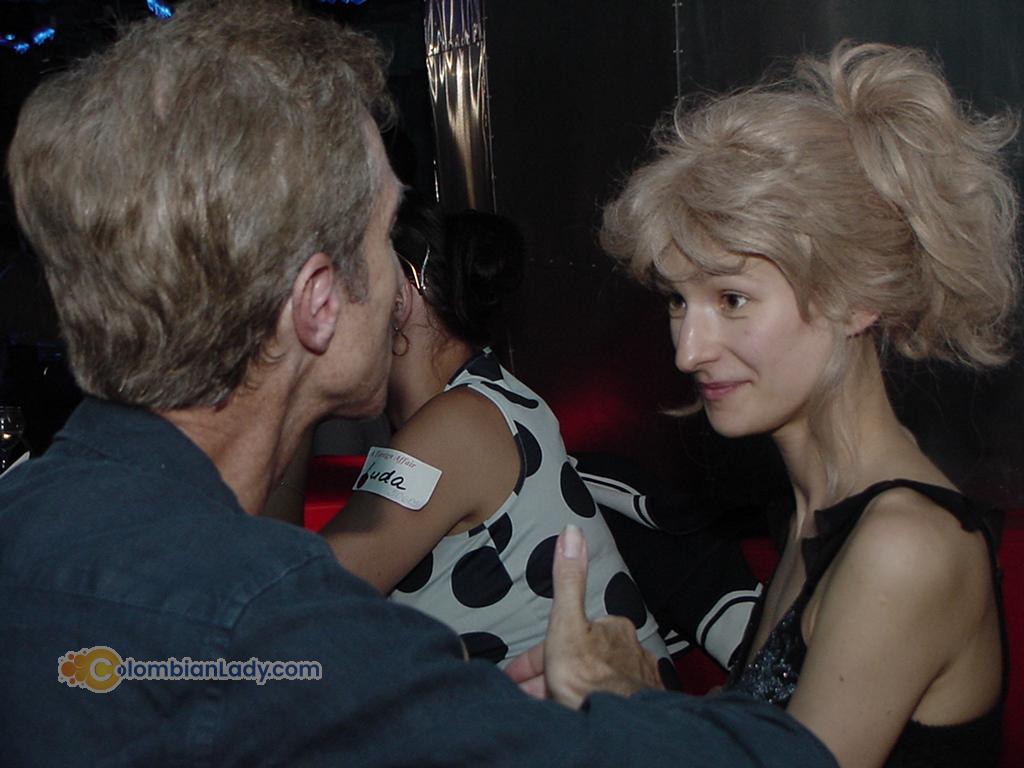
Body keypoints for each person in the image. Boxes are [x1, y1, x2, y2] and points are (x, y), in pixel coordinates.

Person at [0, 1, 838, 765]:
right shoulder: (276, 634)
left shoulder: (29, 517)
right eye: (381, 236)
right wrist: (628, 698)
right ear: (319, 303)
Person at [599, 40, 1016, 767]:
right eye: (677, 301)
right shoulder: (816, 511)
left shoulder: (904, 546)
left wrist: (623, 706)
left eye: (732, 299)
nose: (688, 351)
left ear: (855, 298)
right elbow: (759, 734)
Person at [321, 195, 671, 672]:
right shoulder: (485, 397)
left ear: (398, 294)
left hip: (597, 714)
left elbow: (293, 608)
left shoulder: (460, 423)